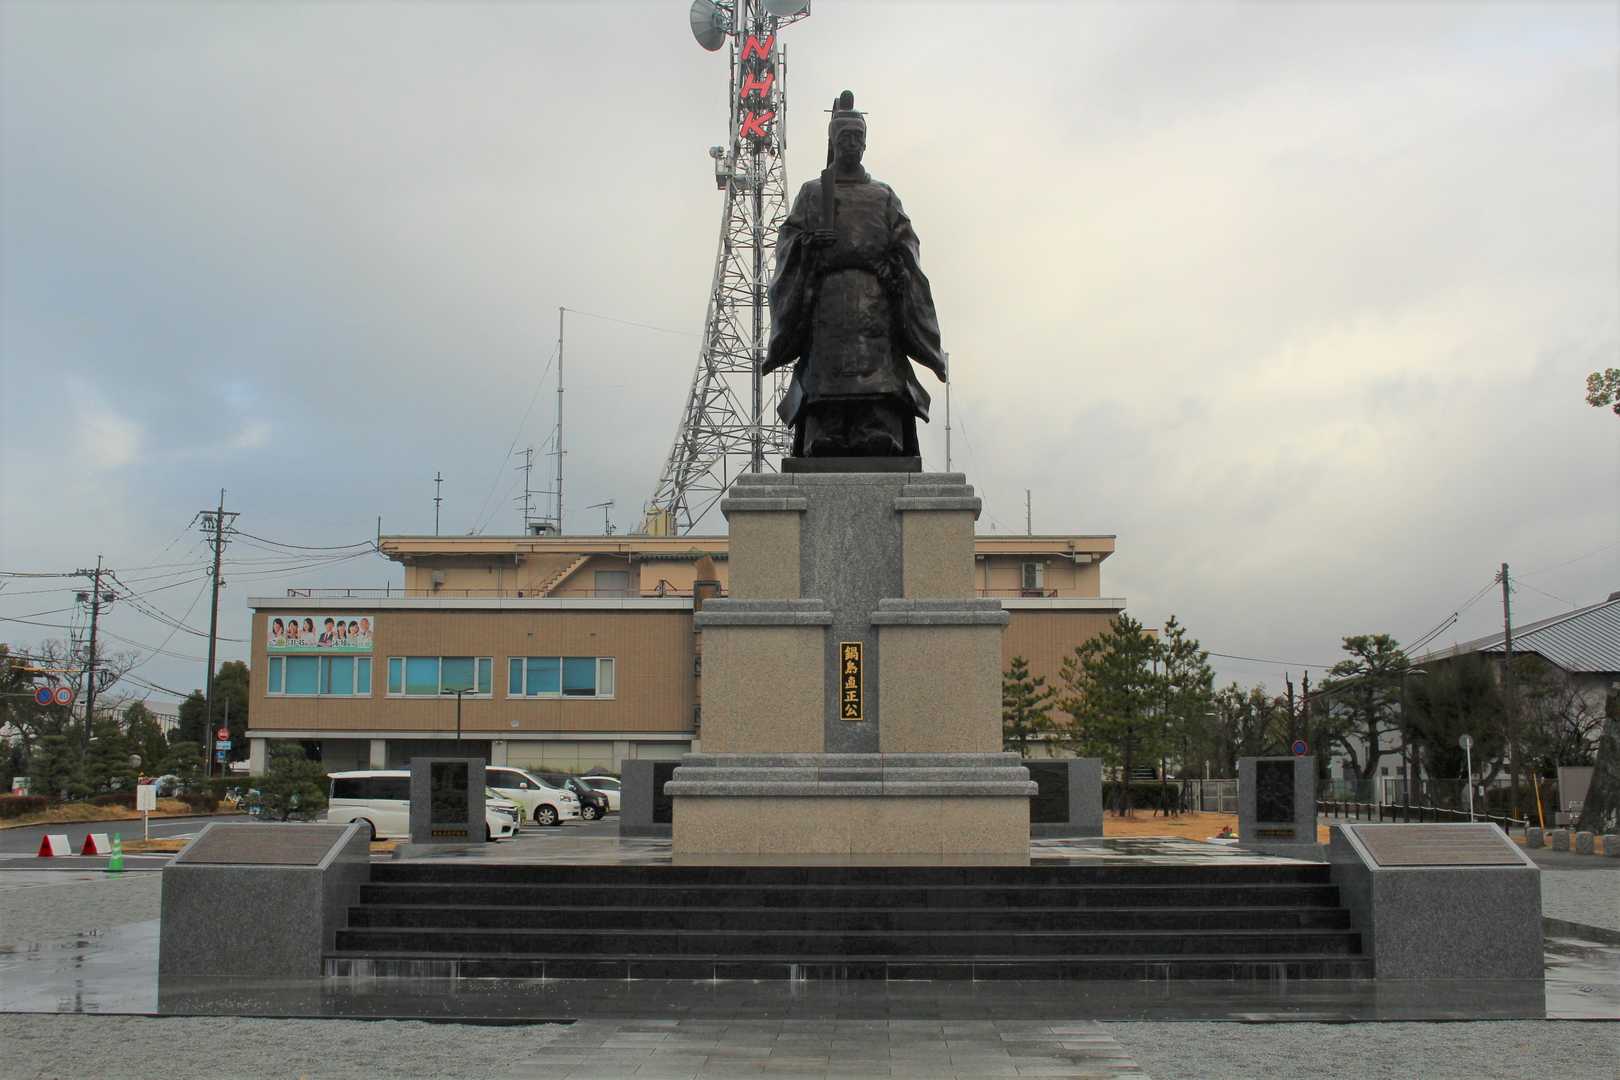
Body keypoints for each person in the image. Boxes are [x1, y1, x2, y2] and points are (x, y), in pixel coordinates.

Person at [764, 90, 947, 458]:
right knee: (825, 369)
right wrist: (808, 246)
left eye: (857, 137)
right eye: (844, 137)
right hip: (828, 299)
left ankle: (878, 428)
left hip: (874, 299)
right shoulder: (812, 194)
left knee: (879, 368)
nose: (851, 143)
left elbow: (906, 242)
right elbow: (789, 241)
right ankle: (825, 431)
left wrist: (897, 266)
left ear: (865, 143)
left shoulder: (883, 196)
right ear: (833, 142)